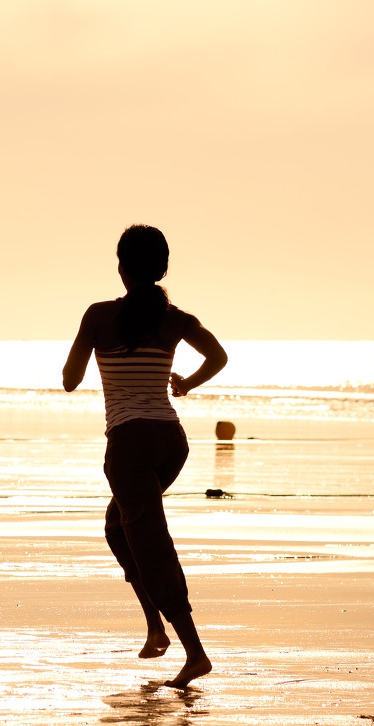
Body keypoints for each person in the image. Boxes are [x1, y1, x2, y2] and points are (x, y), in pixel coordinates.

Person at [63, 225, 228, 689]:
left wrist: (89, 349)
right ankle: (156, 628)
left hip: (129, 444)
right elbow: (218, 356)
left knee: (151, 542)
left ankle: (195, 653)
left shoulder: (98, 315)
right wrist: (187, 383)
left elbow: (70, 380)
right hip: (170, 441)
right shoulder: (176, 318)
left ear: (121, 267)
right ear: (162, 268)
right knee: (120, 528)